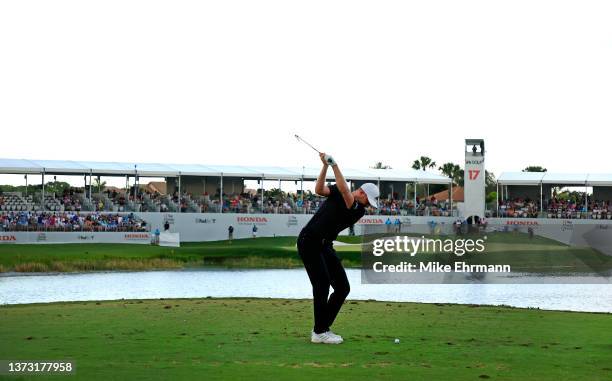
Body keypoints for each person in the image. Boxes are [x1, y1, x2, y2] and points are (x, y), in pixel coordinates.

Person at [297, 152, 379, 344]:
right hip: (309, 240)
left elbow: (344, 192)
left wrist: (334, 165)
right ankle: (320, 332)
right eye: (369, 200)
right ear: (362, 193)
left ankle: (322, 328)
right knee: (322, 284)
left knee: (342, 287)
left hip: (325, 245)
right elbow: (319, 189)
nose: (369, 205)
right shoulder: (346, 194)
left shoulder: (358, 210)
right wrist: (325, 166)